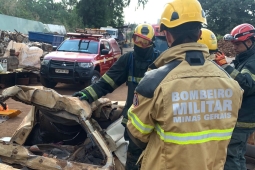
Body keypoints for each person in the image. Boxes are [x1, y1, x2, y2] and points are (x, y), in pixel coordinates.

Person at [126, 0, 243, 170]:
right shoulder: (231, 83)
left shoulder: (154, 82)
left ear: (167, 35)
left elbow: (137, 135)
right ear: (199, 33)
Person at [72, 23, 160, 170]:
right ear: (132, 39)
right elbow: (107, 82)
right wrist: (87, 93)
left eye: (145, 42)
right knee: (133, 160)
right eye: (137, 40)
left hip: (155, 123)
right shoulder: (128, 60)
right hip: (133, 122)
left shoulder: (160, 62)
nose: (141, 45)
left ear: (152, 43)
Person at [218, 23, 255, 170]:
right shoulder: (245, 59)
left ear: (249, 41)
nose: (235, 47)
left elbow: (246, 85)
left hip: (243, 119)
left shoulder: (253, 61)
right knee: (238, 156)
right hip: (242, 117)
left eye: (238, 43)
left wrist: (225, 66)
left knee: (231, 157)